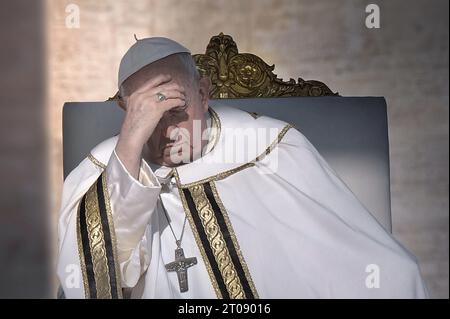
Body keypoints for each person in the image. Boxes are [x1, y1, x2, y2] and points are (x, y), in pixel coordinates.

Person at [56, 37, 428, 299]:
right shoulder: (99, 172)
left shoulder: (270, 146)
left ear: (203, 93)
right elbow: (96, 278)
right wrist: (131, 145)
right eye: (147, 116)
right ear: (125, 112)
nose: (167, 132)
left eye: (176, 109)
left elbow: (354, 263)